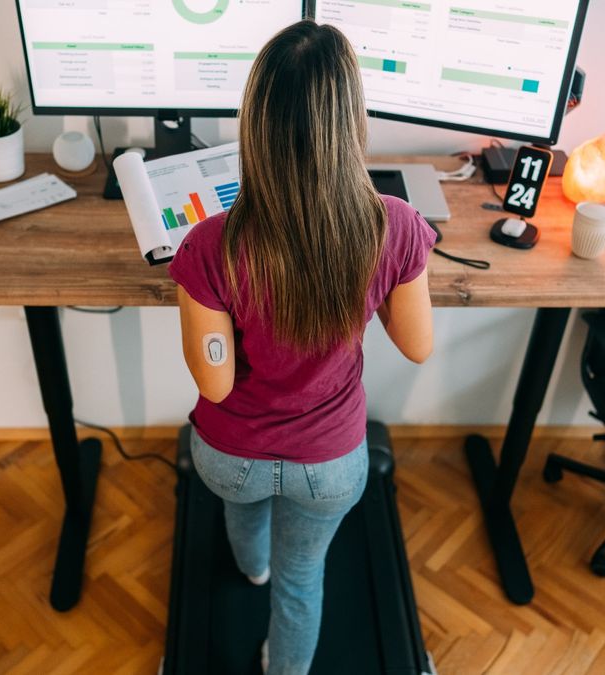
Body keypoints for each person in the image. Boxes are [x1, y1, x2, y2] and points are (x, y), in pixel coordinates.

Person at [168, 19, 436, 675]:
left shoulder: (209, 244)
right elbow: (417, 346)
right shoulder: (395, 226)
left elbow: (216, 386)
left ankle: (250, 566)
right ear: (352, 123)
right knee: (303, 577)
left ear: (254, 124)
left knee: (245, 516)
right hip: (331, 463)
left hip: (231, 455)